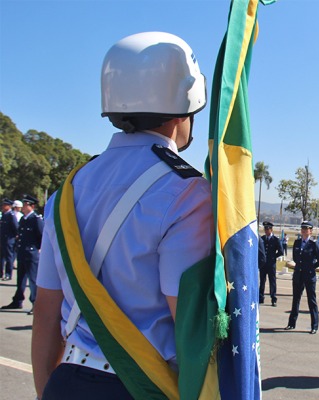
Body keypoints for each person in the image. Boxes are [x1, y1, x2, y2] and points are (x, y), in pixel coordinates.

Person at [30, 32, 214, 399]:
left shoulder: (70, 187)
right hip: (141, 385)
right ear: (185, 108)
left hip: (66, 379)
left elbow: (46, 312)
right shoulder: (187, 192)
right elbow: (191, 329)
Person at [2, 195, 44, 314]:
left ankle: (35, 303)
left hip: (31, 254)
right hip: (22, 253)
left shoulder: (36, 219)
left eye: (26, 204)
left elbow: (42, 236)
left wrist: (38, 249)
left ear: (32, 206)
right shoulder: (24, 219)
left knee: (33, 280)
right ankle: (17, 300)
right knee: (20, 279)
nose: (23, 207)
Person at [285, 221, 319, 334]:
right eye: (302, 229)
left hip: (309, 276)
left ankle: (314, 326)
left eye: (306, 229)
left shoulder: (313, 244)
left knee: (311, 301)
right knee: (295, 299)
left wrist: (311, 267)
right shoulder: (297, 243)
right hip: (298, 275)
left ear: (310, 231)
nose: (304, 231)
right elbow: (295, 258)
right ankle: (291, 323)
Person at [259, 221, 283, 307]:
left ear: (271, 229)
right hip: (263, 264)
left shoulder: (275, 240)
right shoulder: (262, 239)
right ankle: (261, 297)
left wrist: (273, 257)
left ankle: (273, 298)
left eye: (268, 229)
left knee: (272, 281)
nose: (266, 230)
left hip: (271, 264)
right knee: (262, 281)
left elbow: (281, 251)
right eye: (265, 229)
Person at [0, 198, 19, 281]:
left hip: (9, 240)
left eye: (5, 205)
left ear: (9, 206)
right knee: (1, 257)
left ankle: (8, 274)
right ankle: (1, 273)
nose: (3, 206)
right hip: (2, 239)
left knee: (9, 258)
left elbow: (16, 228)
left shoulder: (11, 215)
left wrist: (14, 238)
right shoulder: (4, 215)